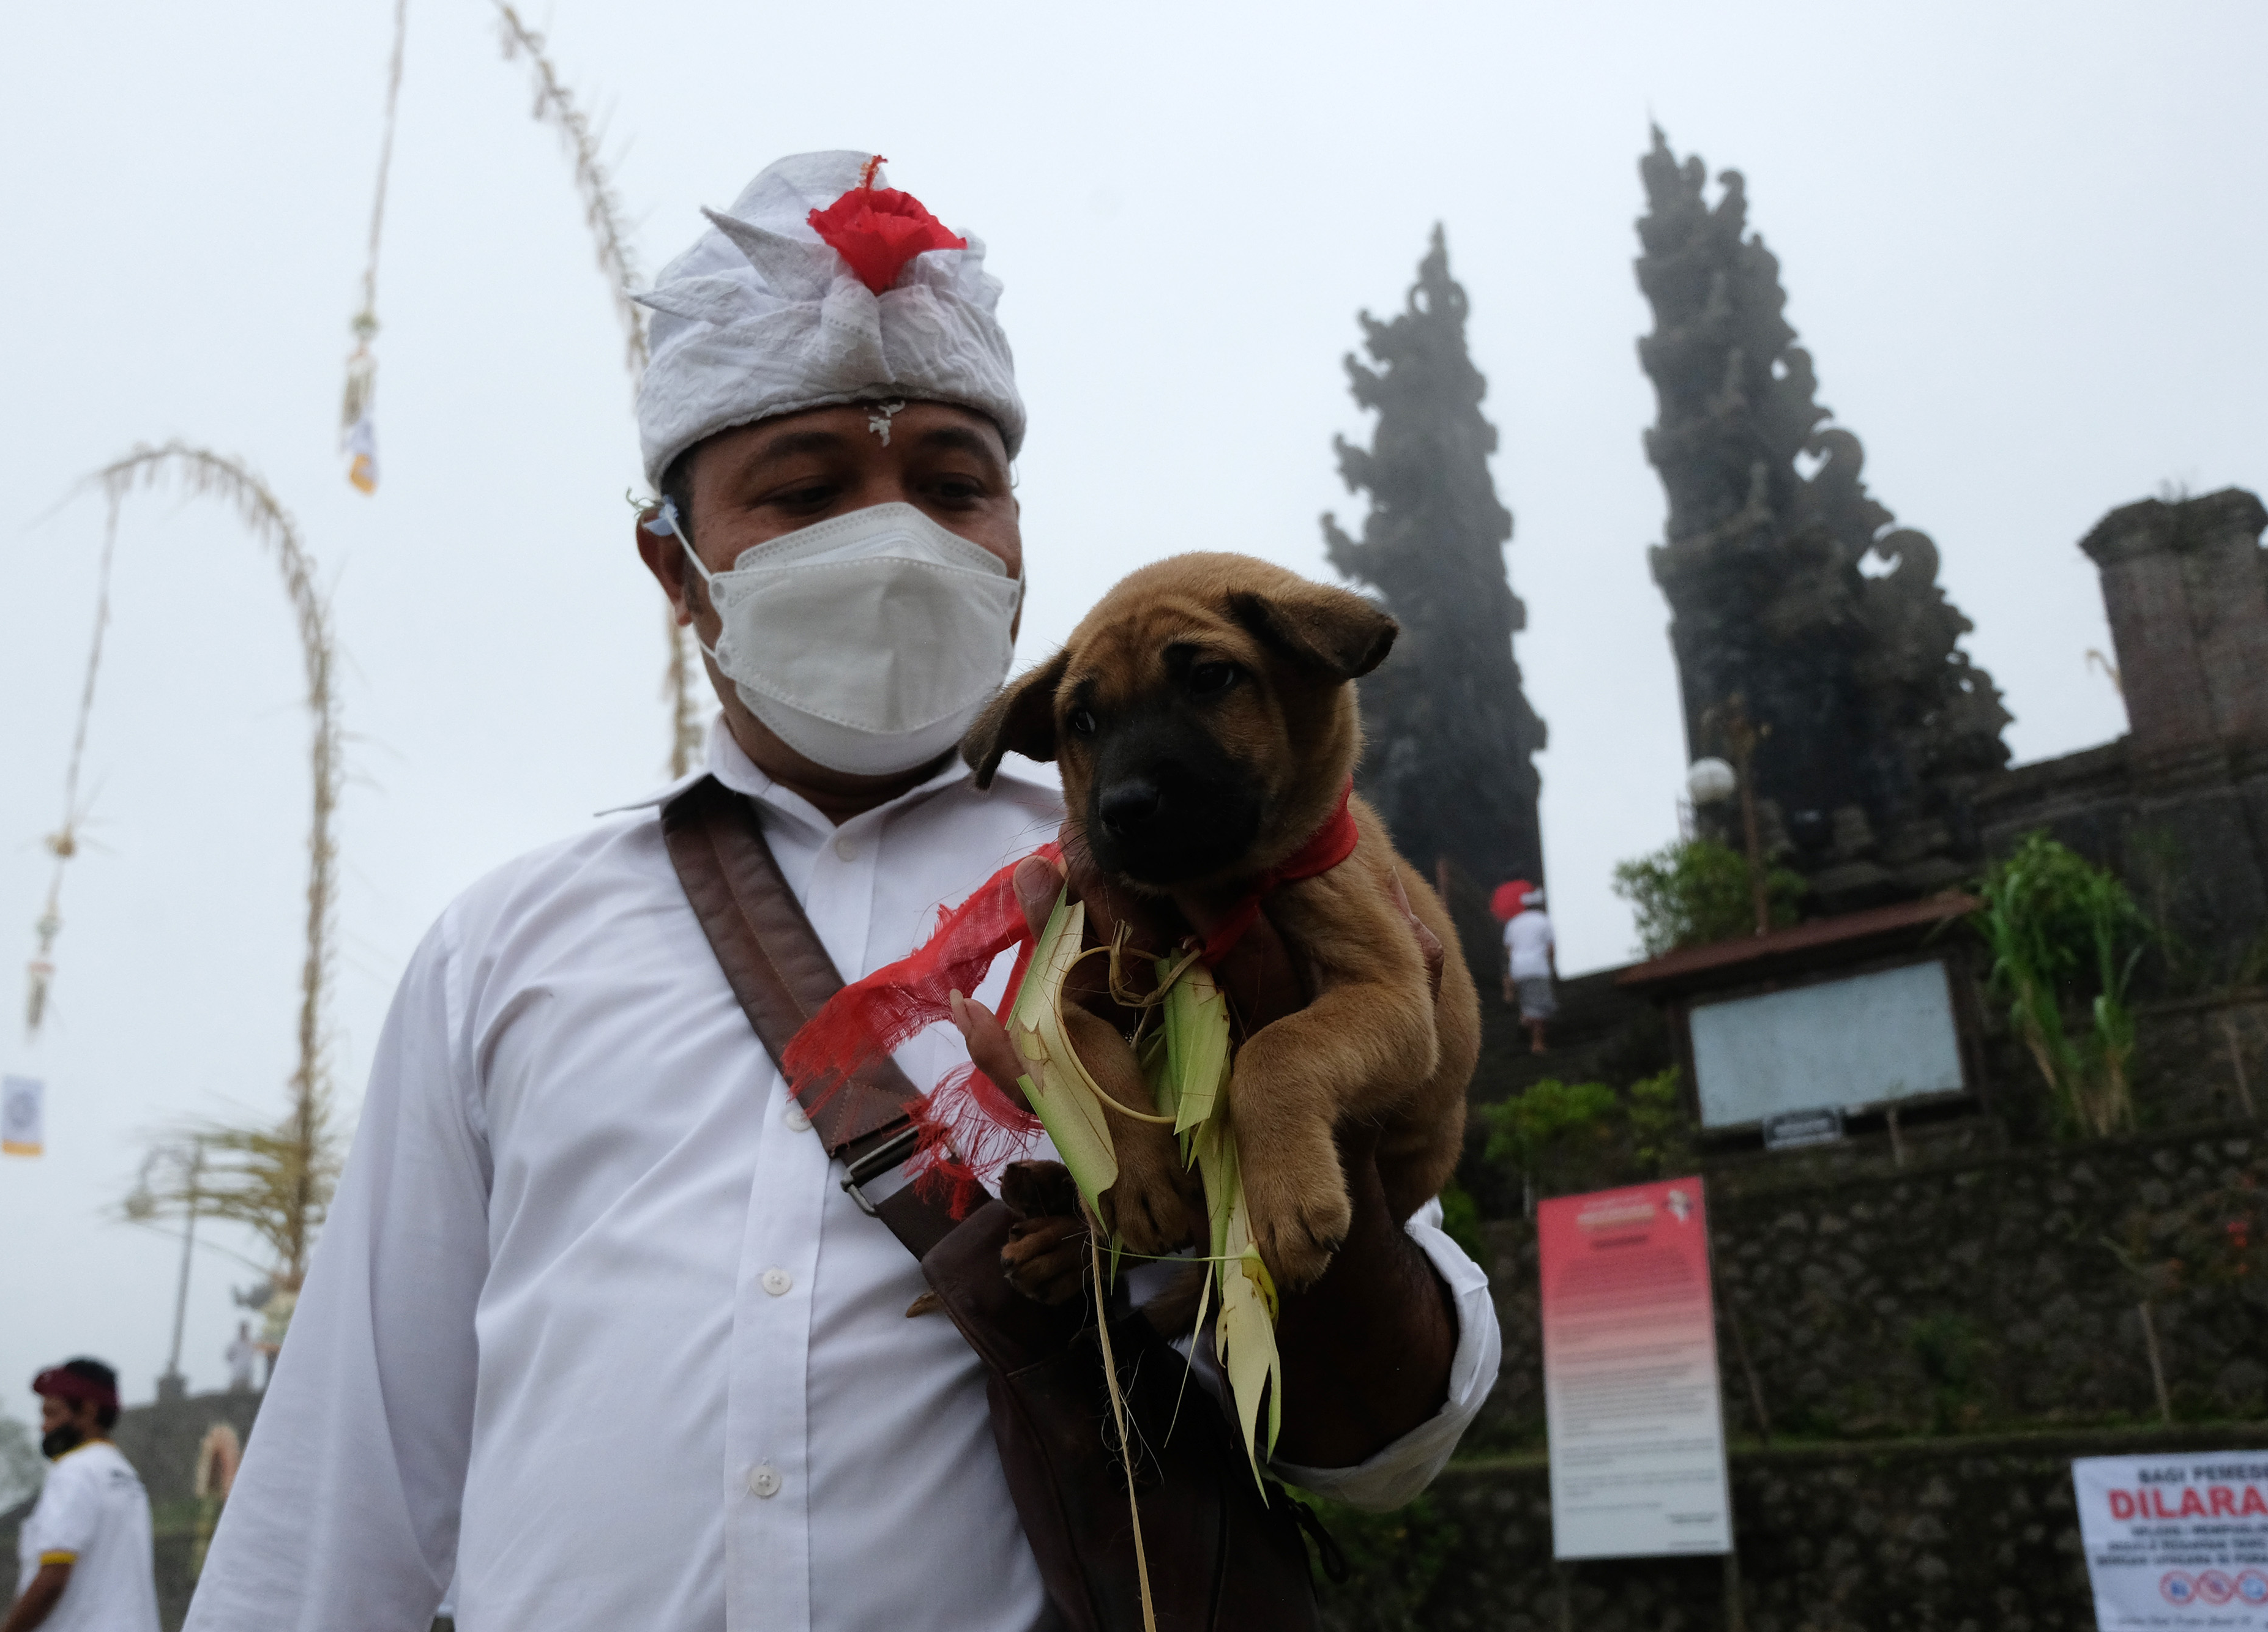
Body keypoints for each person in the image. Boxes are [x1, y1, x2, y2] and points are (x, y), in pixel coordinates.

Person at [185, 151, 1499, 1632]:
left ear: (1015, 535)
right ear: (672, 567)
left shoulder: (1187, 884)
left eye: (954, 484)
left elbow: (1390, 1440)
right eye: (806, 491)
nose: (897, 538)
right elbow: (346, 1490)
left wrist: (1285, 1115)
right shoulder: (505, 950)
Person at [0, 1359, 158, 1632]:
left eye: (52, 1414)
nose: (44, 1427)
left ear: (88, 1411)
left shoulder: (75, 1471)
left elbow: (53, 1578)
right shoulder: (125, 1475)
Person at [1502, 887, 1557, 1053]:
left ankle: (1525, 1020)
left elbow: (1509, 949)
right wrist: (1552, 966)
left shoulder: (1514, 923)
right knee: (1539, 1008)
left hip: (1519, 969)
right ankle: (1537, 1043)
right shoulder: (1544, 921)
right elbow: (1550, 948)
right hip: (1537, 968)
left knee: (1529, 1003)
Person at [223, 1322, 256, 1393]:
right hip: (237, 1372)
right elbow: (228, 1356)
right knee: (235, 1391)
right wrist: (235, 1364)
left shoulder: (251, 1343)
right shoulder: (235, 1344)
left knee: (248, 1391)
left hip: (248, 1372)